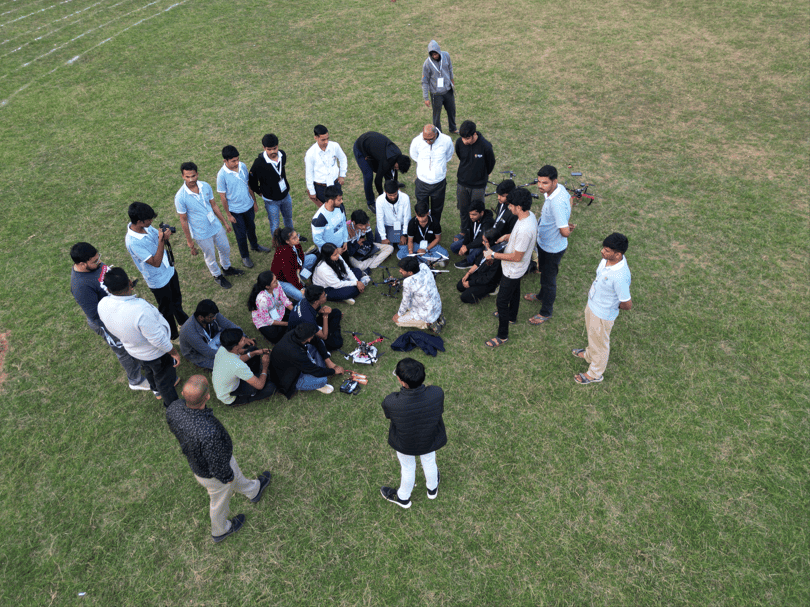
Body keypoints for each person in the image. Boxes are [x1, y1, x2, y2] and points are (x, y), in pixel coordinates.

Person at [165, 375, 272, 543]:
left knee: (235, 473)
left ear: (184, 394)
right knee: (219, 501)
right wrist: (227, 477)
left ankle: (254, 490)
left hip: (199, 463)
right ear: (207, 396)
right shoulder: (209, 432)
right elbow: (218, 465)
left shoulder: (173, 408)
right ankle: (220, 530)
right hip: (212, 474)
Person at [70, 242, 149, 391]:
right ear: (82, 264)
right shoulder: (80, 286)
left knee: (133, 340)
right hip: (107, 322)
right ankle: (136, 381)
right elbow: (94, 314)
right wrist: (116, 325)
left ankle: (143, 362)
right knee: (122, 350)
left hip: (121, 312)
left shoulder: (94, 266)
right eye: (95, 261)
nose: (99, 261)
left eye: (98, 257)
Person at [97, 267, 181, 403]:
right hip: (155, 353)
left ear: (108, 289)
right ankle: (173, 406)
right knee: (164, 380)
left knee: (149, 370)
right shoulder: (140, 310)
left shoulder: (102, 304)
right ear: (130, 283)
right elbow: (158, 340)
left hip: (134, 351)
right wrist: (173, 352)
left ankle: (156, 390)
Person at [380, 358, 447, 509]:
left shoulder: (391, 401)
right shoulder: (437, 393)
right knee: (429, 461)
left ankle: (403, 498)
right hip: (430, 438)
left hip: (405, 443)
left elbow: (389, 415)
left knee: (408, 468)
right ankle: (432, 489)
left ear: (401, 381)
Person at [572, 233, 632, 384]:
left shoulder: (620, 276)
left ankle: (595, 374)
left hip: (603, 313)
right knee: (593, 336)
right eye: (603, 248)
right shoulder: (607, 260)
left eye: (607, 250)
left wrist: (610, 305)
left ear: (618, 254)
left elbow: (627, 304)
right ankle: (589, 355)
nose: (602, 252)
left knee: (600, 344)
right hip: (593, 305)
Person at [174, 161, 243, 290]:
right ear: (183, 176)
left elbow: (214, 205)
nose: (191, 179)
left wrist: (224, 222)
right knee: (210, 255)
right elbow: (183, 220)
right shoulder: (180, 197)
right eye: (187, 177)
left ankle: (226, 268)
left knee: (225, 248)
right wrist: (189, 241)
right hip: (201, 232)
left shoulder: (205, 186)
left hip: (215, 226)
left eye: (193, 176)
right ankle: (217, 275)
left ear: (197, 174)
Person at [125, 201, 189, 340]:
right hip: (158, 279)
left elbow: (159, 239)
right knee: (166, 309)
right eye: (149, 220)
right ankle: (173, 335)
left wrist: (164, 237)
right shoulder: (133, 242)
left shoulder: (146, 227)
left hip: (169, 270)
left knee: (176, 299)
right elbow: (155, 262)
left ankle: (183, 321)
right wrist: (161, 240)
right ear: (139, 221)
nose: (151, 221)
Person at [482, 188, 537, 347]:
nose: (509, 207)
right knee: (515, 290)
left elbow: (517, 257)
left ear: (519, 207)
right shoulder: (530, 216)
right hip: (519, 269)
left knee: (501, 301)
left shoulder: (525, 230)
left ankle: (502, 335)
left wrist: (493, 255)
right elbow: (520, 238)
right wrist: (508, 236)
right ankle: (512, 316)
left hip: (513, 269)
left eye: (511, 205)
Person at [524, 165, 575, 325]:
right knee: (544, 273)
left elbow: (564, 233)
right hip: (545, 243)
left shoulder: (556, 204)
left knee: (549, 280)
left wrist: (565, 226)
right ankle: (541, 296)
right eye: (539, 181)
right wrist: (564, 219)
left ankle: (546, 312)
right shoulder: (559, 190)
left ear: (554, 181)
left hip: (552, 248)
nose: (540, 186)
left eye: (545, 183)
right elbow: (571, 199)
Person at [217, 144, 270, 269]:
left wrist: (254, 202)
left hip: (248, 206)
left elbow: (249, 185)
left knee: (251, 228)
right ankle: (245, 256)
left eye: (237, 159)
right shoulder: (222, 175)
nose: (236, 163)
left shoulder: (243, 166)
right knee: (241, 235)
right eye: (233, 161)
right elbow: (223, 197)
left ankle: (255, 245)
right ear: (225, 161)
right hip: (235, 211)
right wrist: (229, 215)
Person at [270, 323, 347, 397]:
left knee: (319, 345)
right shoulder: (296, 354)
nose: (314, 335)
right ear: (308, 339)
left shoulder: (295, 333)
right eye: (313, 335)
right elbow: (315, 371)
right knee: (323, 380)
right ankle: (313, 381)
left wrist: (327, 360)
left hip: (291, 364)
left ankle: (318, 369)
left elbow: (317, 341)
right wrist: (334, 371)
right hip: (290, 379)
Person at [248, 133, 301, 241]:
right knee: (275, 224)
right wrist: (260, 192)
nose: (272, 151)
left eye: (274, 148)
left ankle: (292, 239)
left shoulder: (282, 155)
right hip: (271, 201)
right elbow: (252, 181)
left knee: (288, 219)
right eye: (269, 149)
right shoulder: (259, 163)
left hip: (285, 196)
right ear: (264, 148)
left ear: (278, 146)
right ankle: (278, 245)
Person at [212, 329, 276, 406]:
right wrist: (265, 366)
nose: (244, 339)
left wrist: (255, 353)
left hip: (230, 379)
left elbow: (239, 358)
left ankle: (254, 377)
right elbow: (260, 385)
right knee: (271, 387)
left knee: (253, 350)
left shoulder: (223, 349)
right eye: (242, 340)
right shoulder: (237, 366)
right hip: (230, 395)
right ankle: (248, 396)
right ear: (235, 347)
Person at [352, 131, 411, 212]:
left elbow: (394, 171)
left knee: (389, 170)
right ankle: (370, 202)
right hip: (360, 148)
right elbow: (377, 181)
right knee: (368, 176)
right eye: (398, 167)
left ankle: (392, 185)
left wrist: (395, 185)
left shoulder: (398, 155)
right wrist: (383, 196)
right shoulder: (386, 162)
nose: (397, 169)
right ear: (397, 162)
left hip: (372, 146)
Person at [455, 120, 496, 235]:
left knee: (476, 212)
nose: (464, 141)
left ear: (474, 134)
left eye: (467, 138)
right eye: (463, 138)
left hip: (478, 186)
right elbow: (460, 156)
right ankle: (464, 232)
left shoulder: (485, 146)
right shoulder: (459, 142)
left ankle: (475, 233)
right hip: (462, 183)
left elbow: (491, 163)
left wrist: (483, 174)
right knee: (463, 210)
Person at [410, 124, 454, 226]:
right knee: (422, 208)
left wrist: (438, 170)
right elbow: (414, 156)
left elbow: (448, 156)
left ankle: (435, 229)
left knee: (437, 209)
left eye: (431, 139)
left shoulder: (446, 140)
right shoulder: (416, 141)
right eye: (425, 139)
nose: (428, 142)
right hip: (422, 182)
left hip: (439, 183)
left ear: (436, 134)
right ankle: (423, 229)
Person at [179, 299, 241, 370]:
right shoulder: (189, 331)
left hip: (213, 339)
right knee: (227, 364)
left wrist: (243, 337)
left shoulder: (211, 314)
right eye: (211, 317)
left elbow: (229, 325)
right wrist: (232, 353)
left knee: (234, 338)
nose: (215, 318)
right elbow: (209, 353)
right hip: (197, 353)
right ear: (201, 317)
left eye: (215, 315)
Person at [393, 256, 445, 332]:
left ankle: (428, 323)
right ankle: (437, 316)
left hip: (427, 313)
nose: (400, 271)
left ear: (410, 272)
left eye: (402, 270)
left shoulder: (408, 282)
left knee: (399, 321)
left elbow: (405, 301)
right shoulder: (424, 266)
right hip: (436, 305)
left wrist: (399, 314)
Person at [288, 285, 344, 352]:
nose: (326, 296)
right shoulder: (308, 319)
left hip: (307, 323)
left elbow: (317, 310)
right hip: (303, 335)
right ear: (316, 301)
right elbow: (324, 336)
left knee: (336, 312)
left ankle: (330, 331)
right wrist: (325, 316)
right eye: (324, 295)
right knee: (337, 343)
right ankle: (331, 333)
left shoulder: (306, 300)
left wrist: (323, 310)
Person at [305, 124, 348, 206]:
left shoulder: (334, 146)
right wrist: (312, 191)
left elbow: (343, 158)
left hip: (335, 184)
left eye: (327, 138)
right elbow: (309, 173)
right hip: (321, 188)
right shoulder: (310, 153)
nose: (326, 142)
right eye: (323, 140)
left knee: (340, 207)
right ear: (316, 138)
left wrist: (342, 175)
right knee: (327, 210)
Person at [270, 227, 316, 303]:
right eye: (294, 238)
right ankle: (285, 290)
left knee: (312, 258)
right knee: (302, 296)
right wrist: (301, 287)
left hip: (294, 270)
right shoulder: (284, 254)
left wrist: (299, 268)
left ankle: (302, 278)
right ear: (287, 241)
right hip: (283, 280)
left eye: (297, 235)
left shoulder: (296, 244)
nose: (298, 239)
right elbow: (290, 276)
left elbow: (301, 256)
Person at [456, 229, 503, 304]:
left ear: (492, 242)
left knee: (465, 297)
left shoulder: (497, 257)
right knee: (460, 286)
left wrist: (470, 283)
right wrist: (468, 274)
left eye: (485, 241)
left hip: (488, 281)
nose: (482, 242)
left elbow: (487, 278)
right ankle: (473, 288)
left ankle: (492, 290)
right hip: (480, 274)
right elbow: (477, 263)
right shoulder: (487, 248)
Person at [421, 40, 456, 134]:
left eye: (435, 54)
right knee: (436, 115)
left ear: (439, 51)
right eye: (432, 55)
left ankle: (453, 128)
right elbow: (424, 81)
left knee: (452, 111)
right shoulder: (427, 64)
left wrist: (452, 80)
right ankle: (438, 133)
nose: (434, 56)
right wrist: (426, 98)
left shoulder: (446, 55)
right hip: (436, 94)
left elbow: (450, 68)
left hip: (448, 90)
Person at [248, 271, 293, 345]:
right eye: (274, 281)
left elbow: (284, 299)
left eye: (276, 279)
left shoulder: (276, 285)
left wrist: (294, 311)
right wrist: (286, 324)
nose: (277, 282)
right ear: (267, 286)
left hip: (277, 309)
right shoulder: (262, 300)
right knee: (275, 337)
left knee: (294, 310)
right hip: (264, 320)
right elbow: (267, 320)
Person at [399, 201, 448, 266]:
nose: (421, 219)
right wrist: (411, 253)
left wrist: (426, 249)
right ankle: (429, 260)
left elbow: (438, 239)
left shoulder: (435, 222)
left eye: (423, 216)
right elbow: (410, 240)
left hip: (430, 245)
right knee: (399, 254)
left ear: (428, 213)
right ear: (415, 213)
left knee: (445, 254)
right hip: (416, 245)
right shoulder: (412, 223)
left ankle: (419, 259)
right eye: (418, 216)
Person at [451, 199, 495, 269]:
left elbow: (481, 240)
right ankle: (469, 252)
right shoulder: (472, 218)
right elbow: (468, 232)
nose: (471, 216)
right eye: (470, 214)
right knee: (453, 247)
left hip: (483, 244)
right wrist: (464, 244)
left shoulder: (488, 222)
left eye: (474, 214)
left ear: (482, 213)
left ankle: (469, 261)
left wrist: (467, 247)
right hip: (473, 240)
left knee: (474, 251)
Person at [375, 180, 412, 249]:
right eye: (390, 195)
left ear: (398, 190)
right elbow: (380, 219)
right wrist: (383, 237)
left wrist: (404, 234)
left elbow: (407, 217)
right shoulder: (379, 200)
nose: (393, 197)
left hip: (401, 225)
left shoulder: (405, 198)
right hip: (388, 225)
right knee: (386, 248)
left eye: (395, 194)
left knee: (405, 245)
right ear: (385, 192)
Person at [311, 185, 349, 251]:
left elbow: (344, 224)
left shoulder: (340, 208)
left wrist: (345, 241)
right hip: (331, 253)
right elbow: (317, 240)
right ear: (331, 201)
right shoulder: (319, 219)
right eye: (339, 200)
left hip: (342, 247)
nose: (341, 201)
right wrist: (334, 250)